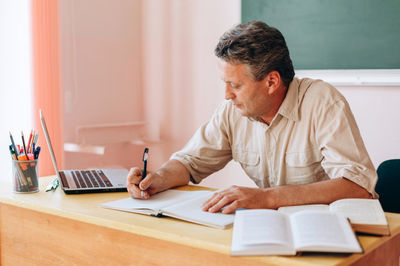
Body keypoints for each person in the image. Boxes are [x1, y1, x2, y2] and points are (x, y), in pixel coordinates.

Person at [126, 21, 377, 214]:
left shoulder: (322, 102)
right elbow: (190, 162)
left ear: (271, 81)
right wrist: (157, 179)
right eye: (225, 84)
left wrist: (267, 197)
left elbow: (357, 188)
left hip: (327, 229)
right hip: (271, 229)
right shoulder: (233, 110)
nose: (226, 96)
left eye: (234, 85)